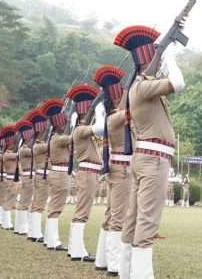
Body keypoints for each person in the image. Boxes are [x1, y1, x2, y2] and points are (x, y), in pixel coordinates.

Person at [114, 25, 186, 279]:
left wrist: (164, 53)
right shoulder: (142, 87)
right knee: (148, 219)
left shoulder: (140, 88)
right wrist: (170, 56)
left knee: (134, 217)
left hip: (146, 158)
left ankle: (126, 271)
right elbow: (178, 83)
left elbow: (164, 79)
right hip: (154, 159)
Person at [90, 64, 128, 276]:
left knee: (111, 213)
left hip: (116, 167)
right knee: (118, 217)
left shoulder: (108, 115)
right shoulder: (114, 117)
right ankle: (114, 265)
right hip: (122, 168)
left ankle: (102, 259)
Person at [65, 84, 101, 262]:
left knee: (82, 210)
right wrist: (99, 112)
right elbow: (101, 128)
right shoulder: (80, 130)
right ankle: (77, 250)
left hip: (90, 172)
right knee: (82, 211)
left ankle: (74, 248)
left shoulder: (82, 130)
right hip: (87, 172)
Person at [41, 99, 69, 251]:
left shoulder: (54, 138)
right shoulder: (58, 139)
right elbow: (73, 138)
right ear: (59, 125)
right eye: (63, 124)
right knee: (56, 208)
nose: (65, 126)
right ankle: (53, 241)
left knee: (54, 206)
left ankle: (49, 239)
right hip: (60, 174)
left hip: (57, 173)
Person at [27, 109, 49, 243]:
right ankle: (35, 233)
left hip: (40, 175)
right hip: (41, 176)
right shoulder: (39, 145)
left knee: (37, 203)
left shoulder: (36, 144)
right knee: (39, 204)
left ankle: (32, 232)